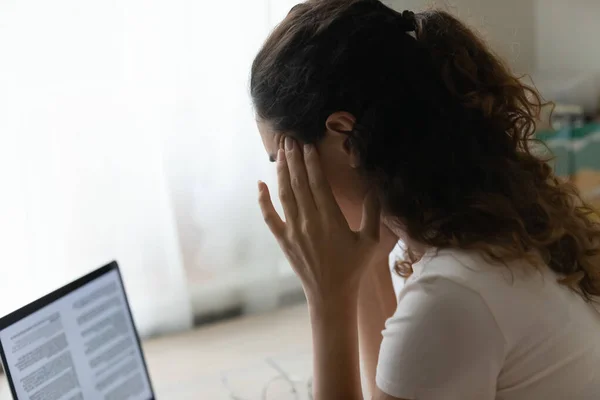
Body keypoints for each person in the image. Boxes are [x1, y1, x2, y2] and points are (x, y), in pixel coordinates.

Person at [250, 1, 600, 399]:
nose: (287, 188)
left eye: (284, 161)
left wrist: (328, 301)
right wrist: (363, 269)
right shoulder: (492, 228)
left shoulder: (453, 297)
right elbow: (396, 385)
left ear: (345, 137)